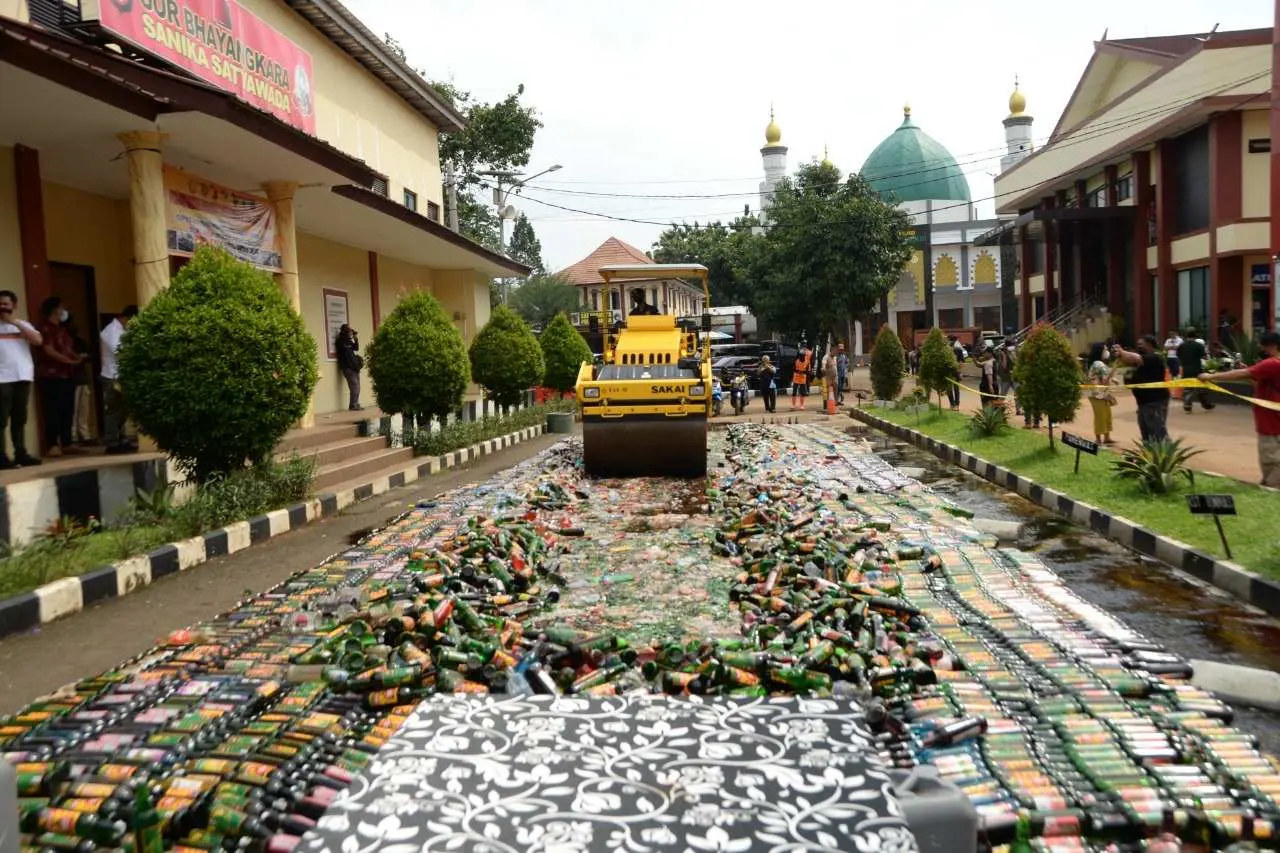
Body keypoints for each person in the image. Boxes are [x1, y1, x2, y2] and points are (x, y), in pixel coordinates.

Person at [1201, 330, 1280, 488]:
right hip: (1271, 419)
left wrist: (1211, 376)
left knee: (1271, 460)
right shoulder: (1272, 366)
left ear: (1271, 346)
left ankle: (1272, 489)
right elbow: (1260, 384)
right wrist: (1250, 375)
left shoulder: (1272, 363)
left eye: (1263, 347)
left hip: (1271, 423)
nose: (1262, 351)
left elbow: (1241, 374)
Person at [35, 296, 85, 457]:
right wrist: (69, 361)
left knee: (67, 410)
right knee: (52, 411)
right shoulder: (45, 329)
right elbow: (49, 350)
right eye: (62, 307)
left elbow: (67, 348)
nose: (65, 310)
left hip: (66, 375)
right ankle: (52, 445)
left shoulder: (62, 330)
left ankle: (67, 442)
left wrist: (77, 358)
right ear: (55, 310)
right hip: (51, 376)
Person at [0, 290, 43, 468]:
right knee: (1, 420)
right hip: (2, 378)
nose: (2, 308)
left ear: (14, 306)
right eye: (0, 304)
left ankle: (21, 453)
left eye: (6, 304)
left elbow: (38, 341)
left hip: (22, 376)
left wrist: (14, 322)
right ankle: (1, 456)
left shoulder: (22, 325)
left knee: (19, 418)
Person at [1113, 334, 1170, 444]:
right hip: (1143, 403)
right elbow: (1129, 362)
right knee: (1146, 434)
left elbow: (1136, 358)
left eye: (1141, 345)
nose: (1138, 347)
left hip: (1154, 402)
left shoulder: (1154, 358)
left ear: (1149, 346)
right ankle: (1149, 456)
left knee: (1158, 433)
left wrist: (1121, 351)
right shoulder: (1139, 362)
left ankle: (1165, 457)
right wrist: (1120, 355)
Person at [100, 305, 138, 455]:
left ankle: (120, 438)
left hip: (121, 375)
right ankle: (112, 441)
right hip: (111, 376)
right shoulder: (111, 331)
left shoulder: (123, 330)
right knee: (113, 409)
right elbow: (120, 351)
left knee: (123, 410)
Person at [1086, 342, 1116, 445]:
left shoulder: (1095, 363)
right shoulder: (1099, 363)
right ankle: (1099, 440)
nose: (1106, 351)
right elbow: (1104, 380)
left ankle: (1106, 438)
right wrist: (1112, 374)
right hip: (1099, 395)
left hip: (1098, 394)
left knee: (1105, 415)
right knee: (1101, 416)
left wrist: (1112, 378)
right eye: (1105, 349)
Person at [1175, 333, 1214, 414]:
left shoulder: (1181, 345)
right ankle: (1206, 405)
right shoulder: (1198, 345)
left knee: (1188, 389)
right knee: (1202, 388)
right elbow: (1204, 356)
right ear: (1195, 336)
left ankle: (1187, 406)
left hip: (1186, 370)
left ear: (1187, 336)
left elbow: (1178, 356)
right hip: (1197, 369)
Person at [69, 321, 94, 445]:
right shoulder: (65, 341)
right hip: (71, 379)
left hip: (83, 377)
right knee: (73, 409)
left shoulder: (80, 341)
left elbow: (89, 356)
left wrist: (81, 356)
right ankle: (73, 435)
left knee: (84, 409)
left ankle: (85, 434)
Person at [335, 324, 363, 411]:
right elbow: (343, 349)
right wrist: (347, 335)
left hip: (354, 367)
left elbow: (356, 348)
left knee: (357, 387)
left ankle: (355, 404)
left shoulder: (349, 341)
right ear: (345, 332)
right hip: (347, 367)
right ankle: (353, 405)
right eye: (349, 331)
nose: (351, 333)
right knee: (354, 386)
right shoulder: (340, 341)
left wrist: (355, 339)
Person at [821, 347, 839, 412]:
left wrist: (837, 375)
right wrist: (823, 368)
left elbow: (835, 367)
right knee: (829, 390)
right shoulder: (826, 357)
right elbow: (823, 364)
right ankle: (829, 405)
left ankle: (835, 403)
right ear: (831, 351)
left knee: (835, 389)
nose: (835, 354)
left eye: (836, 352)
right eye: (834, 352)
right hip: (828, 376)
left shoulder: (835, 357)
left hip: (835, 377)